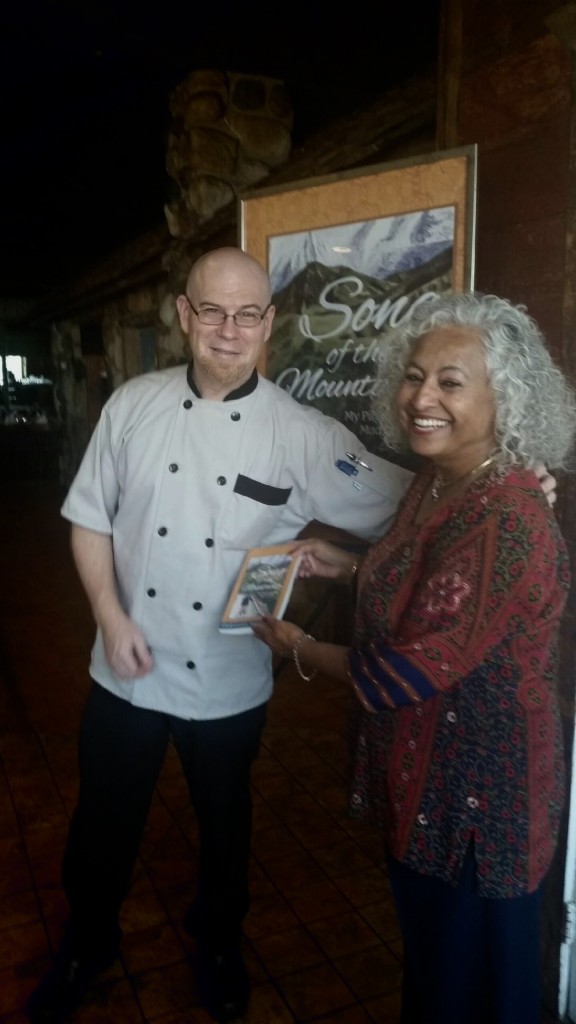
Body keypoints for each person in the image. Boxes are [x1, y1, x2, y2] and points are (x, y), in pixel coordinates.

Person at [27, 246, 415, 1024]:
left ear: (269, 323)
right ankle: (89, 939)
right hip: (125, 668)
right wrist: (110, 616)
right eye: (212, 311)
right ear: (183, 316)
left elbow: (414, 505)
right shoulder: (130, 405)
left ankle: (218, 939)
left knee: (226, 826)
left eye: (247, 315)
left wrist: (493, 481)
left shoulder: (301, 432)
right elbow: (88, 521)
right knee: (104, 820)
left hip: (232, 675)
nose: (229, 330)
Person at [252, 291, 576, 1024]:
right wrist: (347, 563)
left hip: (477, 804)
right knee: (434, 971)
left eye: (451, 383)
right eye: (414, 375)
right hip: (427, 789)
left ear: (506, 400)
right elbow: (427, 582)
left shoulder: (510, 518)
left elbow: (406, 670)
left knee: (473, 986)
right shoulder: (440, 480)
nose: (421, 397)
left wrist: (300, 649)